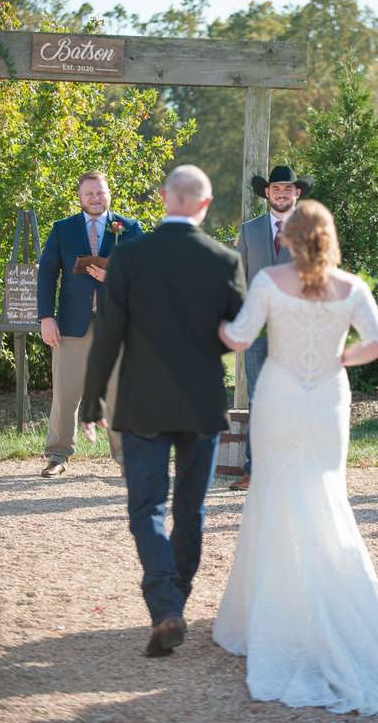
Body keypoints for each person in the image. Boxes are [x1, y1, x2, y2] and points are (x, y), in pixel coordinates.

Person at [213, 200, 378, 715]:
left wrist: (215, 323)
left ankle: (271, 619)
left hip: (279, 394)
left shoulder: (270, 282)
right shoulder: (351, 286)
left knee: (275, 491)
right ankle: (332, 604)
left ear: (287, 239)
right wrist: (343, 357)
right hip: (326, 400)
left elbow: (240, 338)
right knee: (323, 493)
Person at [80, 165, 245, 657]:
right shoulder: (224, 259)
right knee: (190, 509)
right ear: (205, 203)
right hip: (200, 402)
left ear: (163, 198)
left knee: (146, 506)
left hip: (142, 401)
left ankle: (165, 605)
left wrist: (91, 400)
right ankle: (178, 600)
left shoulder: (130, 256)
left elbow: (108, 333)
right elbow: (235, 335)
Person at [37, 171, 143, 478]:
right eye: (89, 194)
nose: (96, 198)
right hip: (71, 325)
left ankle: (126, 457)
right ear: (80, 198)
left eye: (100, 192)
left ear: (109, 194)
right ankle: (57, 456)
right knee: (65, 393)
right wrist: (45, 317)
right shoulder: (63, 229)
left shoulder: (130, 228)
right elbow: (47, 274)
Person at [230, 164, 314, 491]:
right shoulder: (249, 231)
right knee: (259, 397)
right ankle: (256, 469)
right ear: (267, 193)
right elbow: (238, 277)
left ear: (297, 193)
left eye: (287, 189)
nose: (281, 194)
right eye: (276, 189)